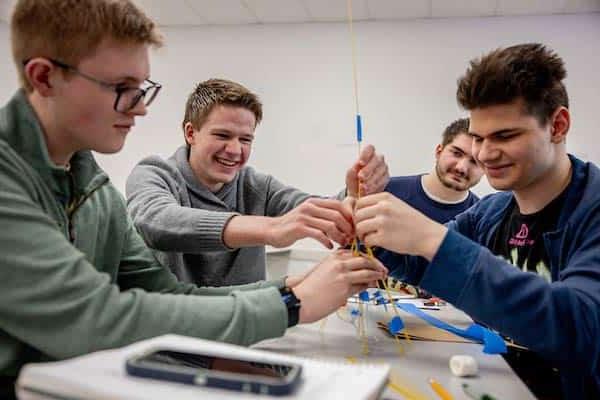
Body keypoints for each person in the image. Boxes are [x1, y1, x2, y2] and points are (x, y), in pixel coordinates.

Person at [0, 1, 387, 397]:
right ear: (44, 77)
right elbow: (94, 314)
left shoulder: (94, 189)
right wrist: (291, 300)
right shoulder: (19, 180)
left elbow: (167, 295)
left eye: (142, 90)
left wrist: (342, 213)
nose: (140, 109)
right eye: (121, 89)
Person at [354, 43, 600, 399]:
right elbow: (419, 263)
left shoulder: (591, 210)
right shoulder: (492, 212)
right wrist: (367, 226)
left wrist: (433, 239)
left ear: (557, 125)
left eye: (505, 136)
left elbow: (579, 328)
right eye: (479, 138)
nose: (484, 154)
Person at [126, 78, 389, 286]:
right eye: (222, 135)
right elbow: (155, 221)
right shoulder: (154, 172)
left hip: (247, 328)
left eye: (245, 139)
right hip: (176, 333)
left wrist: (352, 197)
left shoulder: (256, 186)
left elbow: (315, 209)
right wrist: (271, 228)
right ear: (191, 133)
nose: (234, 149)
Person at [385, 117, 483, 225]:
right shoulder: (387, 191)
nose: (461, 168)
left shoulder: (483, 219)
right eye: (456, 153)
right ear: (439, 151)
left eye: (474, 161)